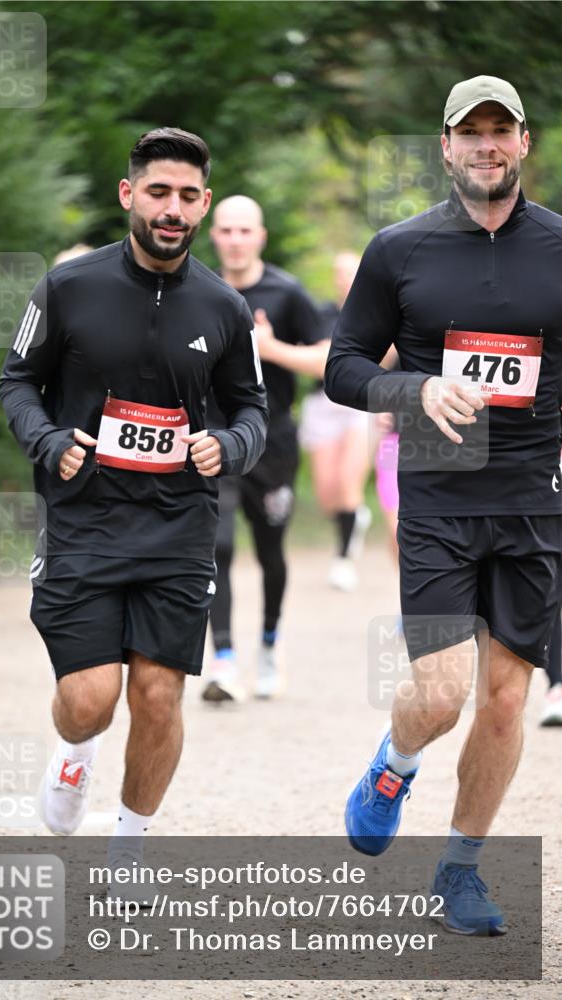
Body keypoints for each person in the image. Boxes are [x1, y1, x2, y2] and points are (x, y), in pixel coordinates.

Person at [325, 76, 562, 936]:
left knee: (505, 700)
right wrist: (414, 387)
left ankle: (460, 868)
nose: (486, 146)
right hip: (434, 497)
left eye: (501, 131)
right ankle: (392, 767)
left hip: (535, 503)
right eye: (471, 133)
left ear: (523, 143)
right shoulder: (400, 249)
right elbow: (343, 366)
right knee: (438, 692)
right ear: (446, 146)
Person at [0, 130, 268, 859]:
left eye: (187, 196)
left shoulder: (223, 308)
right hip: (83, 519)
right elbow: (17, 381)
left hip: (179, 526)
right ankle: (73, 752)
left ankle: (130, 847)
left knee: (158, 694)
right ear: (129, 195)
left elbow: (251, 411)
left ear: (204, 205)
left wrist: (229, 445)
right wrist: (51, 443)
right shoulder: (69, 286)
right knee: (89, 703)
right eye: (158, 192)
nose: (172, 209)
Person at [201, 195, 322, 702]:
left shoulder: (288, 294)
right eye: (225, 231)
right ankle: (223, 661)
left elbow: (327, 360)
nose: (234, 240)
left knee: (271, 552)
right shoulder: (196, 290)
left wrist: (270, 349)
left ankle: (269, 645)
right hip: (209, 438)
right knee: (217, 546)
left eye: (243, 231)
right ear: (213, 236)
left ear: (260, 237)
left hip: (273, 443)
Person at [299, 252, 373, 591]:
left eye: (351, 271)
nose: (345, 278)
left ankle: (343, 559)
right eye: (339, 272)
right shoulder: (320, 313)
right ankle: (352, 518)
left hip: (361, 404)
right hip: (322, 402)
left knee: (347, 485)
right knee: (327, 493)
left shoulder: (377, 311)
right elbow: (314, 360)